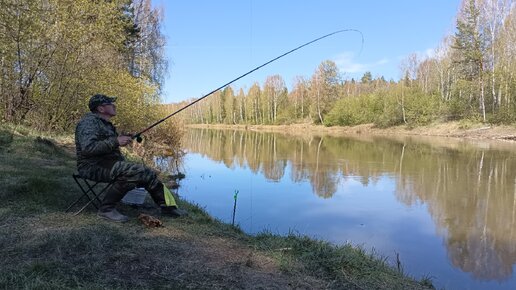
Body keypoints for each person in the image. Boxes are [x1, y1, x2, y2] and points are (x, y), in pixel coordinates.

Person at [75, 93, 187, 222]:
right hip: (92, 167)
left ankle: (168, 207)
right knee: (135, 172)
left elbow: (106, 144)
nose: (114, 106)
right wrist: (116, 141)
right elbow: (88, 148)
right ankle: (106, 209)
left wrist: (122, 138)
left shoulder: (104, 123)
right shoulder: (88, 123)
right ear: (101, 108)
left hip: (108, 163)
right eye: (110, 104)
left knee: (148, 172)